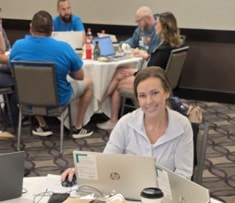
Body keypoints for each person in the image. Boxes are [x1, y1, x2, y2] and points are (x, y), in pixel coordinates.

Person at [61, 66, 193, 182]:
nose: (149, 101)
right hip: (128, 194)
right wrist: (81, 172)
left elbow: (183, 175)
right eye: (142, 95)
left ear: (167, 92)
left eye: (155, 93)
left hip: (165, 198)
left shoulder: (182, 126)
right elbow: (107, 161)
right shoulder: (126, 123)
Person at [9, 10, 94, 139]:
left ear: (31, 26)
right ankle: (78, 127)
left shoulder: (17, 46)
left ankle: (42, 125)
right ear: (52, 29)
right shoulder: (64, 48)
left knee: (31, 83)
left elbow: (15, 73)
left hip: (27, 100)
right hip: (58, 100)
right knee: (88, 82)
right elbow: (80, 76)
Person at [97, 11, 182, 131]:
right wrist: (142, 61)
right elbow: (155, 65)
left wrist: (134, 72)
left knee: (118, 81)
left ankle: (108, 113)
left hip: (153, 83)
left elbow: (151, 72)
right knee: (120, 72)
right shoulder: (172, 45)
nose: (155, 26)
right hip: (163, 82)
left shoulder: (162, 50)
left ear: (163, 27)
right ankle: (101, 102)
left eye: (158, 24)